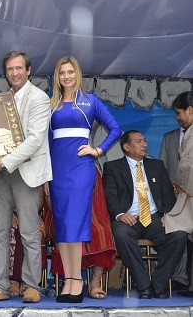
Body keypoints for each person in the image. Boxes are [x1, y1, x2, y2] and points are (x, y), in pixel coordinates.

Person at [47, 56, 122, 303]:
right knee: (62, 226)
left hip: (81, 170)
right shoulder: (51, 106)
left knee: (76, 225)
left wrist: (97, 150)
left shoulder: (91, 102)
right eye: (61, 73)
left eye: (70, 72)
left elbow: (116, 129)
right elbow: (46, 144)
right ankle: (69, 279)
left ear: (77, 74)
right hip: (56, 171)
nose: (66, 76)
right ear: (57, 77)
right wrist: (46, 177)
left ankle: (77, 281)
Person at [0, 51, 52, 304]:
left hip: (26, 172)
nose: (15, 73)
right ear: (6, 72)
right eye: (10, 69)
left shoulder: (40, 98)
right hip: (2, 176)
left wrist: (3, 163)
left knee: (30, 232)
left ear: (28, 70)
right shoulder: (2, 100)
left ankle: (32, 285)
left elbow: (34, 140)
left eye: (19, 68)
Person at [103, 130, 188, 299]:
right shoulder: (112, 167)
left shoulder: (157, 165)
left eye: (145, 141)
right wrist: (120, 214)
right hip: (128, 218)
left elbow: (168, 196)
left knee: (179, 235)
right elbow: (110, 196)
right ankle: (143, 285)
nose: (145, 145)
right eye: (139, 141)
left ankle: (158, 284)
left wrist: (169, 214)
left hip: (154, 218)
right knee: (121, 234)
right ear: (126, 147)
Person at [43, 167, 117, 300]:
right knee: (67, 228)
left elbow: (98, 204)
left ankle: (95, 282)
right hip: (60, 214)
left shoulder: (90, 169)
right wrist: (47, 182)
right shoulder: (52, 168)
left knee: (101, 230)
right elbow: (52, 206)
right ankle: (69, 280)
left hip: (89, 213)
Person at [159, 92, 191, 291]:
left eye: (179, 112)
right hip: (174, 196)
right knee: (179, 235)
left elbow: (187, 166)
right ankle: (179, 278)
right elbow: (162, 167)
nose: (178, 117)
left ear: (190, 110)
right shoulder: (169, 137)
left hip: (187, 194)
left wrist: (182, 184)